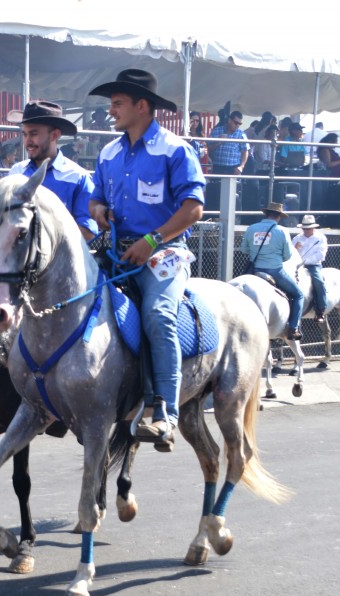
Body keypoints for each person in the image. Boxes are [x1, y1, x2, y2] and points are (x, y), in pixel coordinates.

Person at [88, 69, 205, 449]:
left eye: (117, 103)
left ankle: (164, 412)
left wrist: (152, 240)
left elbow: (193, 209)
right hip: (116, 252)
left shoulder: (175, 149)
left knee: (158, 314)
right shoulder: (108, 153)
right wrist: (98, 210)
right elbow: (94, 198)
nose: (111, 110)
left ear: (142, 106)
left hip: (164, 254)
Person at [10, 100, 98, 241]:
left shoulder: (78, 177)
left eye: (33, 134)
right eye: (25, 135)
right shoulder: (16, 172)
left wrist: (44, 242)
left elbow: (88, 230)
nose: (27, 141)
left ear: (55, 135)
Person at [243, 202, 304, 340]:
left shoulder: (251, 228)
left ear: (266, 214)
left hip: (255, 270)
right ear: (279, 217)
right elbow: (288, 255)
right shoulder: (282, 231)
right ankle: (293, 328)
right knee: (299, 295)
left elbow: (244, 249)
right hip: (275, 271)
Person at [292, 214, 329, 322]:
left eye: (308, 228)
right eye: (304, 228)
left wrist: (305, 261)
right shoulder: (297, 238)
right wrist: (295, 248)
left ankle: (320, 310)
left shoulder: (321, 238)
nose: (306, 231)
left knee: (319, 282)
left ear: (313, 228)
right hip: (297, 265)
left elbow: (321, 255)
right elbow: (289, 253)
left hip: (313, 265)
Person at [207, 109, 250, 178]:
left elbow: (245, 151)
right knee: (216, 184)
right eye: (236, 123)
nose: (237, 125)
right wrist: (218, 142)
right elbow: (208, 148)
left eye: (239, 124)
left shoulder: (241, 134)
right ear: (229, 120)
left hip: (233, 168)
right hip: (218, 167)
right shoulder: (216, 131)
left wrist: (241, 166)